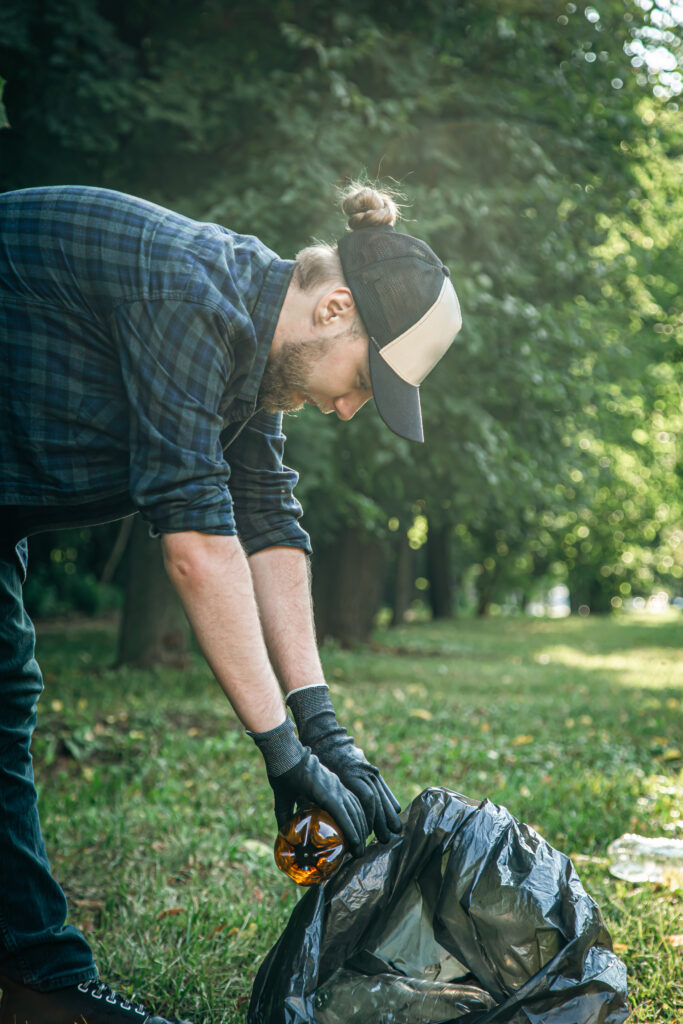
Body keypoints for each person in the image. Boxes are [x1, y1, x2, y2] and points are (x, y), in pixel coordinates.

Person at [0, 182, 462, 1023]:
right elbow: (195, 543)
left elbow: (269, 526)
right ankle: (42, 982)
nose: (348, 409)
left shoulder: (252, 357)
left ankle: (37, 984)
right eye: (363, 380)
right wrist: (281, 754)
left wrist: (323, 726)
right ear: (334, 308)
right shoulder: (188, 292)